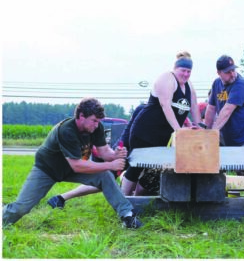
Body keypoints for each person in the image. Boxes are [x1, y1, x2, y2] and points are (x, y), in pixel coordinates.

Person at [3, 98, 143, 229]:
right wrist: (111, 165)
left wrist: (115, 155)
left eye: (98, 121)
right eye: (93, 120)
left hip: (72, 168)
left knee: (105, 176)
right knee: (22, 207)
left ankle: (127, 216)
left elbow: (104, 152)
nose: (96, 124)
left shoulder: (96, 127)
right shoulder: (66, 130)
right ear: (81, 116)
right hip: (47, 169)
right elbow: (77, 165)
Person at [121, 51, 202, 196]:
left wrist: (201, 128)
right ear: (175, 68)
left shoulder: (189, 86)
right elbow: (166, 106)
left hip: (162, 136)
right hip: (145, 132)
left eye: (189, 71)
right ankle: (122, 202)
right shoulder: (166, 79)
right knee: (135, 167)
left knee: (152, 171)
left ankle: (138, 198)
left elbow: (194, 107)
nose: (186, 74)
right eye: (183, 70)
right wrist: (179, 130)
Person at [46, 103, 147, 208]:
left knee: (109, 180)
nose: (96, 125)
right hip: (124, 150)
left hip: (126, 148)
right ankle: (60, 198)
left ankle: (60, 198)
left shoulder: (145, 108)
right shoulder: (144, 108)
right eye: (94, 121)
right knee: (107, 179)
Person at [204, 55, 244, 215]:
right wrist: (205, 129)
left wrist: (212, 133)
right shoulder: (216, 84)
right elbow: (211, 108)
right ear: (219, 72)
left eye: (233, 70)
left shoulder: (241, 85)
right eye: (228, 72)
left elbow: (226, 111)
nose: (232, 74)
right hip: (234, 137)